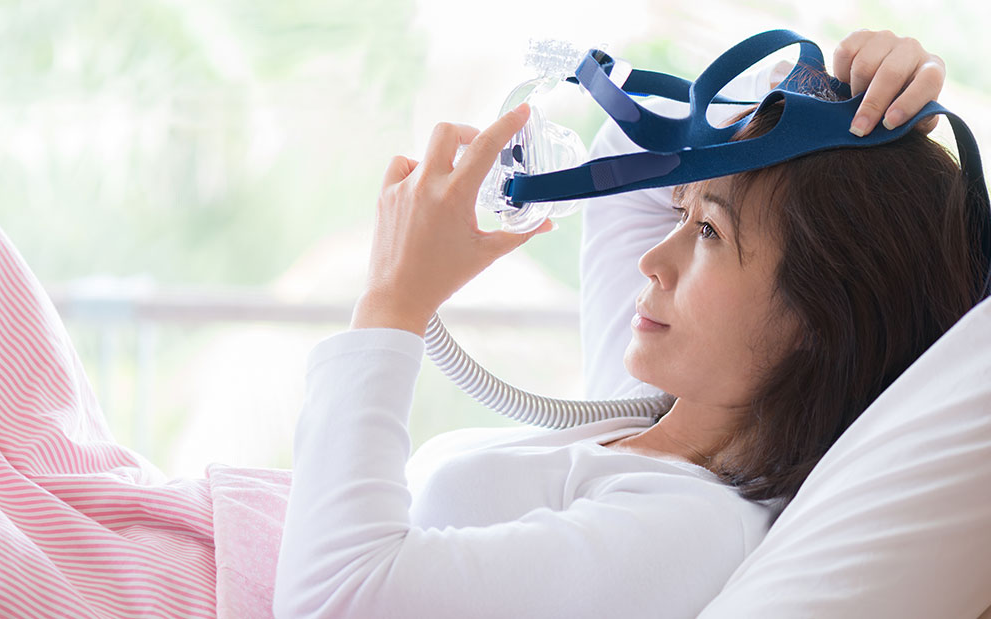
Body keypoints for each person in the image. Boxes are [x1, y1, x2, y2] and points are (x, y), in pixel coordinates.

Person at [273, 30, 985, 618]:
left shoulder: (687, 526)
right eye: (682, 211)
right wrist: (834, 96)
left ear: (822, 315)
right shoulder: (654, 405)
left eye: (706, 231)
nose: (653, 258)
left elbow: (335, 599)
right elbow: (625, 148)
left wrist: (392, 303)